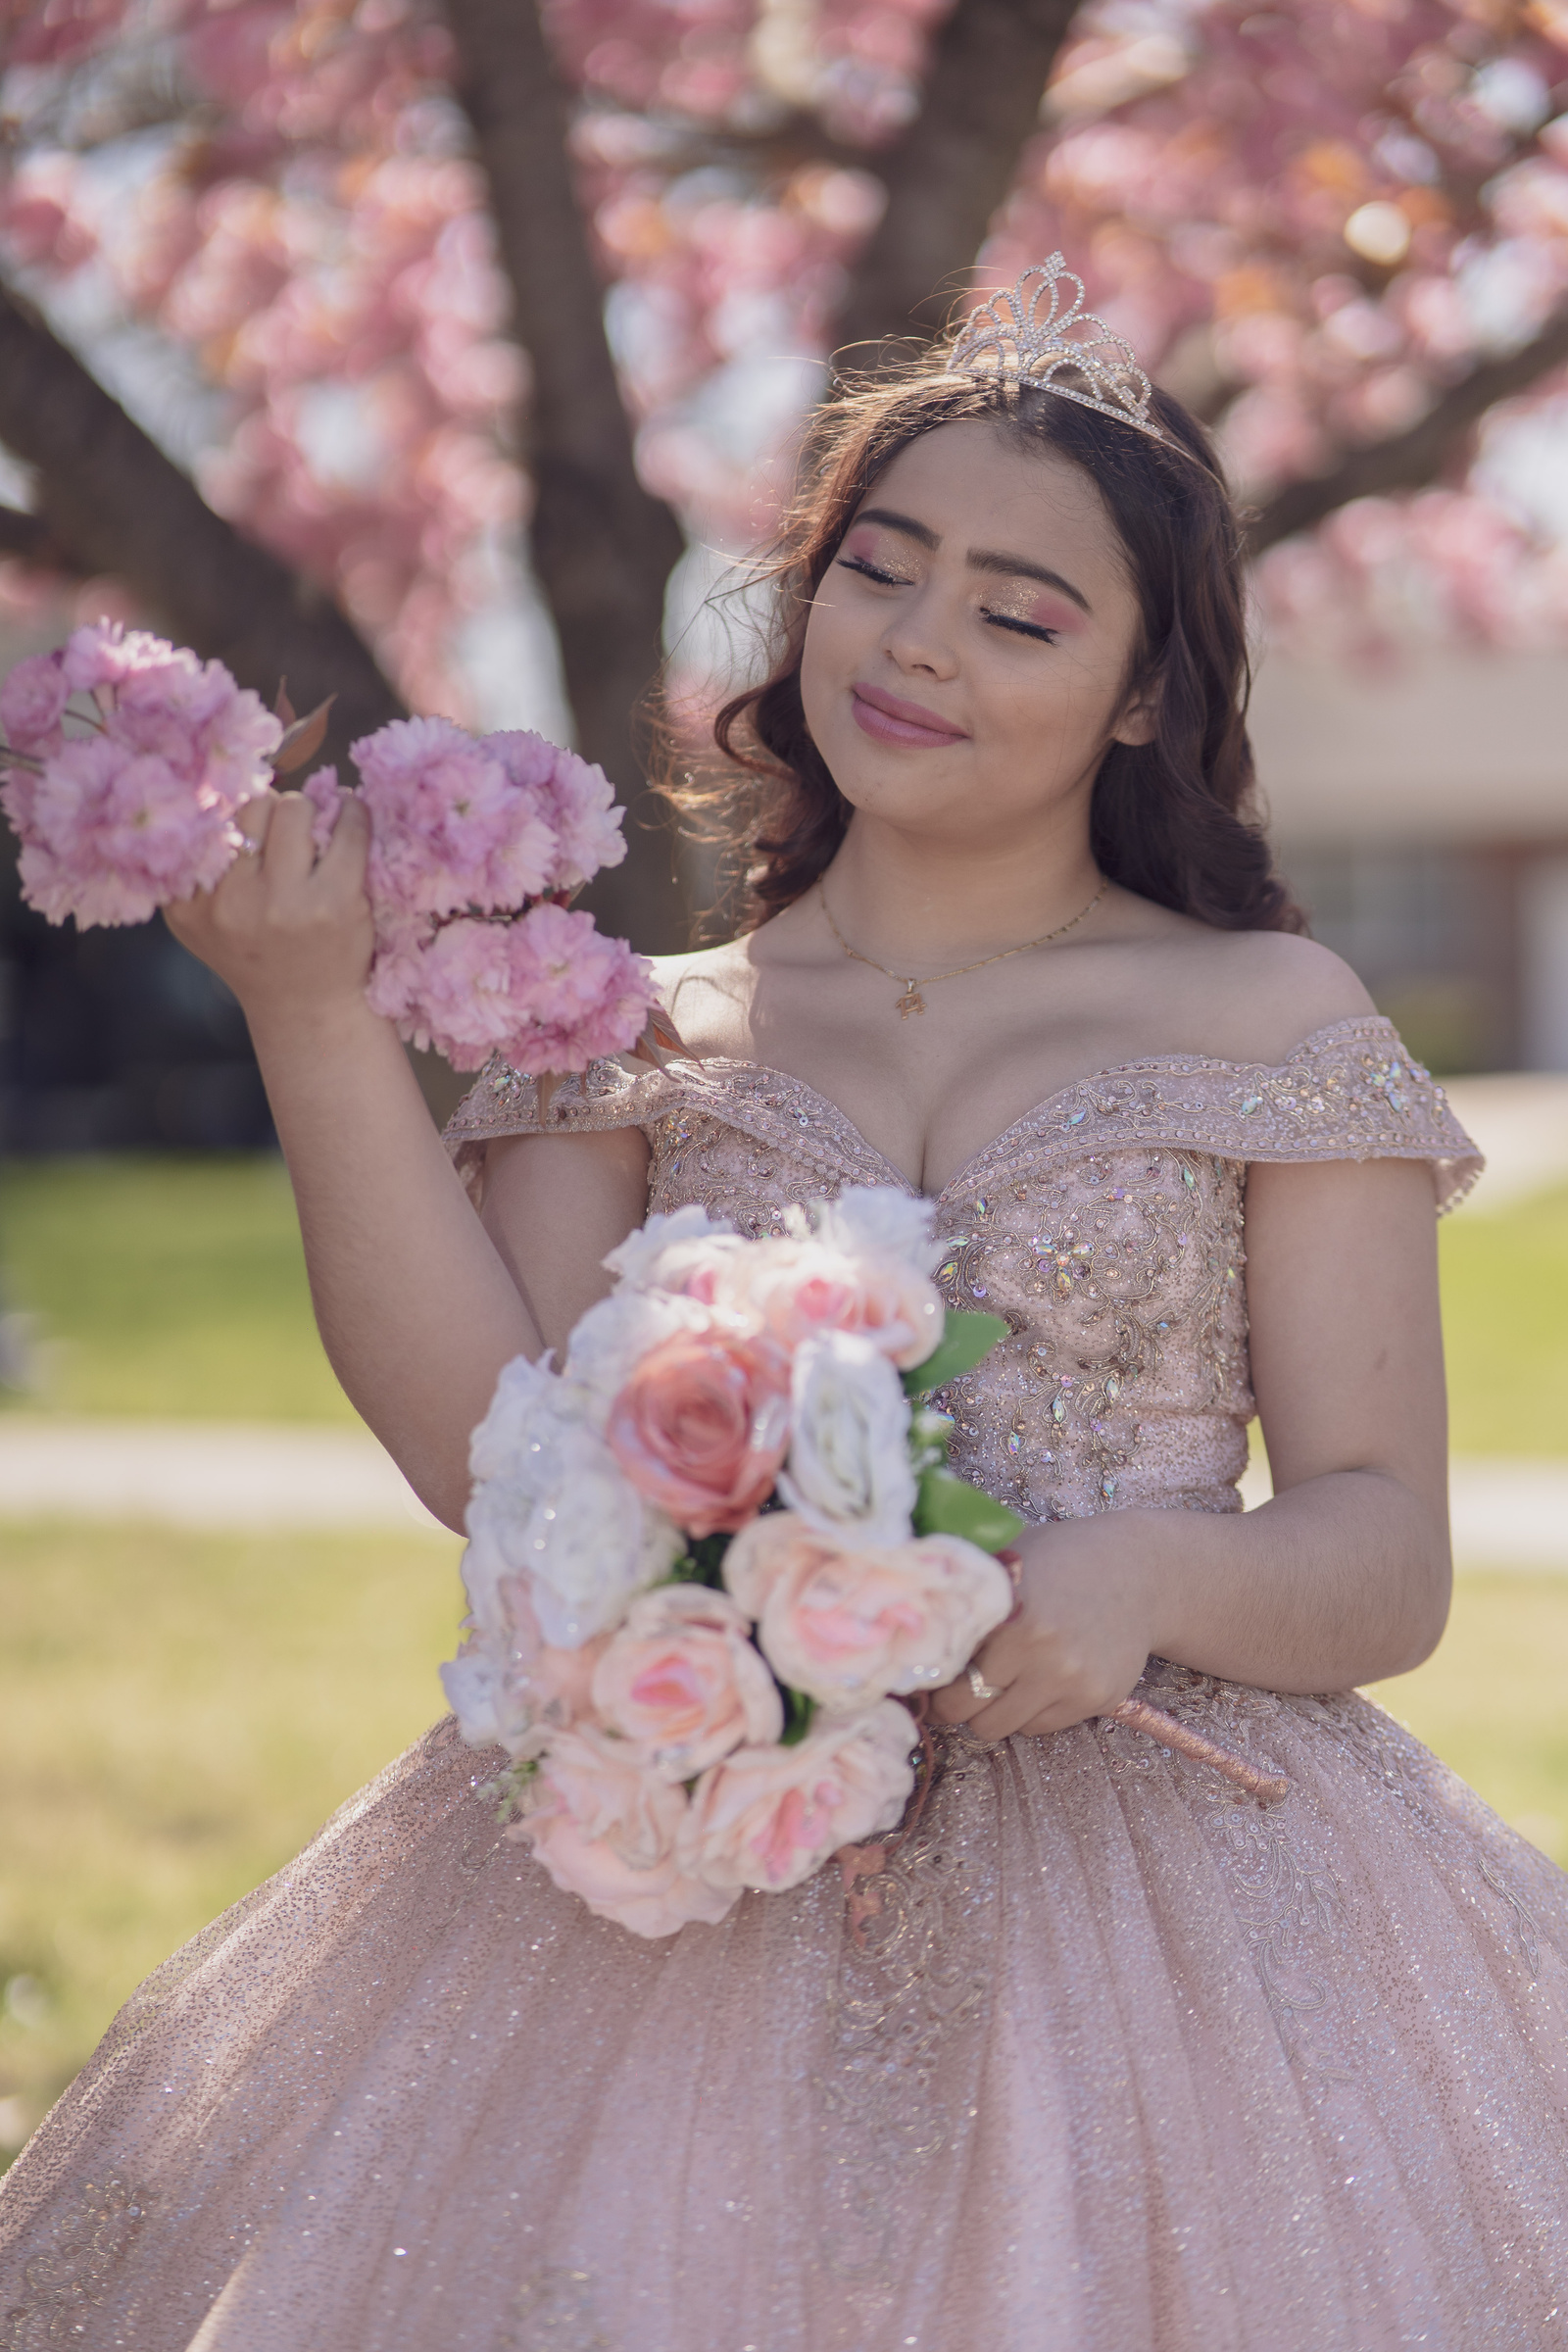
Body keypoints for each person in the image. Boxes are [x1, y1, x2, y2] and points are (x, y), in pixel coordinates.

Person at [2, 259, 1564, 2351]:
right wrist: (305, 1011)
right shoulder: (621, 1025)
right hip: (664, 1854)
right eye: (874, 573)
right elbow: (496, 1452)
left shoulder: (1270, 1020)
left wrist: (1145, 1573)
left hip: (1199, 1921)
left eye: (1016, 613)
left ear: (1138, 695)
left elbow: (1380, 1549)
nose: (916, 645)